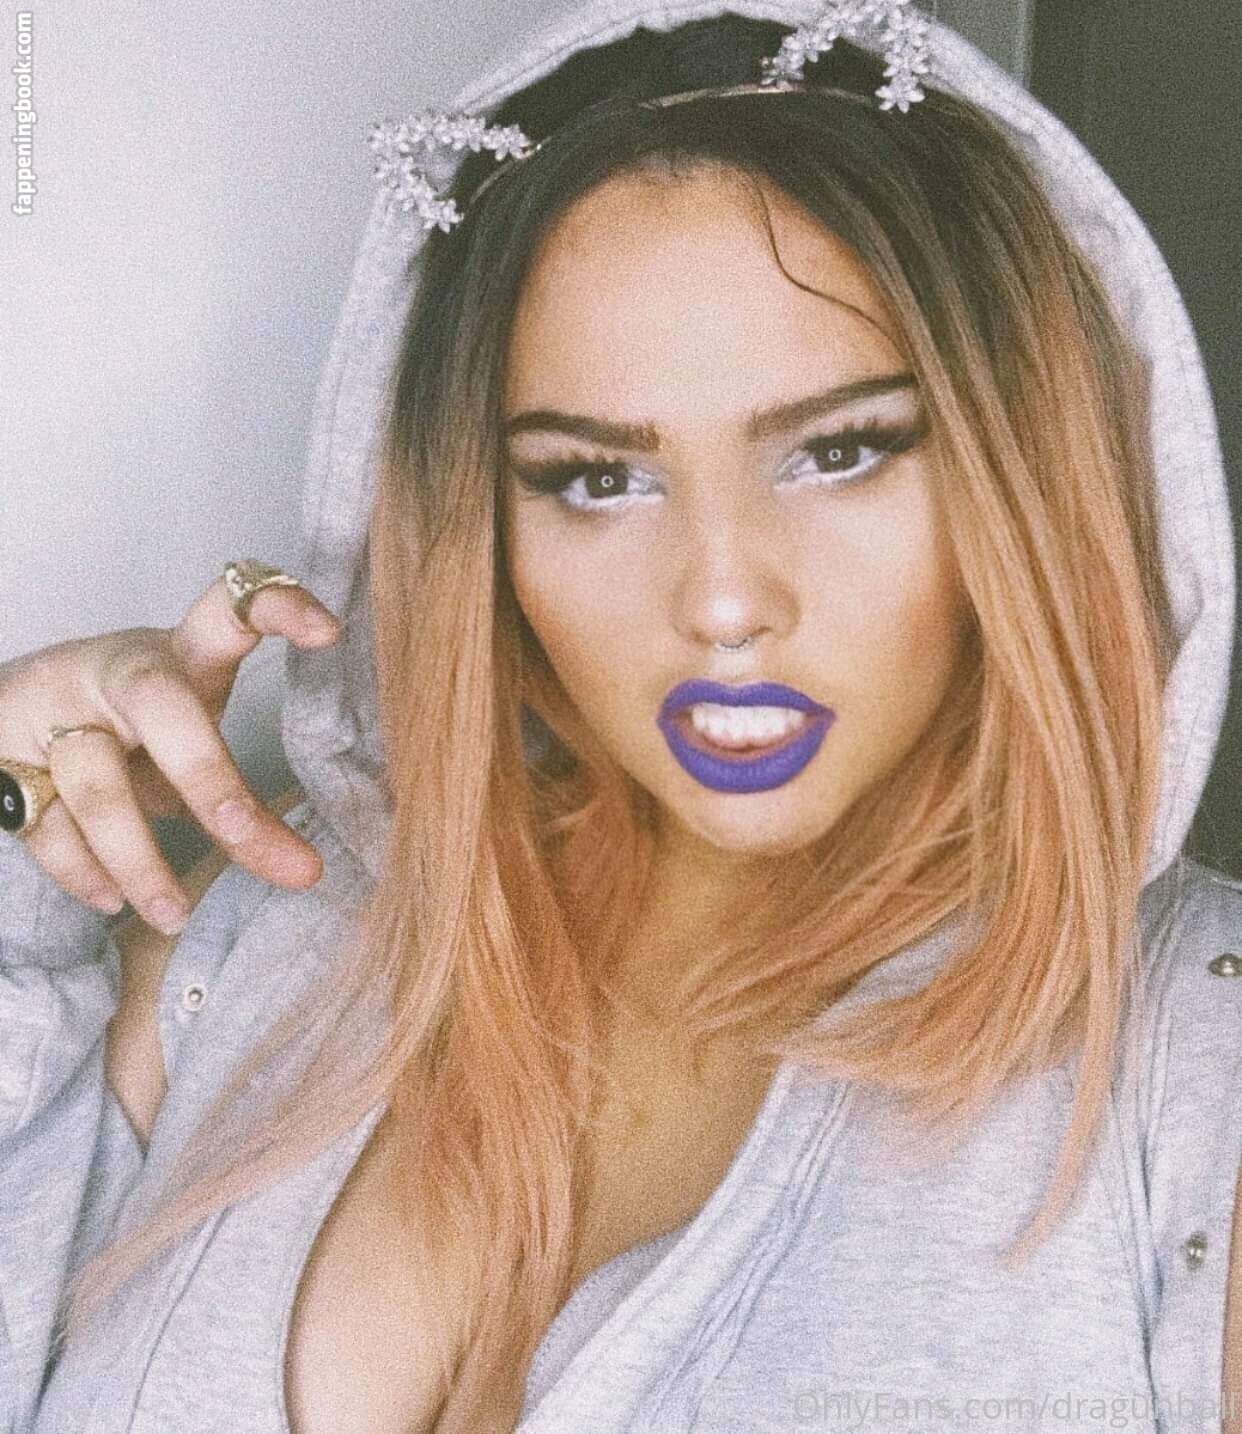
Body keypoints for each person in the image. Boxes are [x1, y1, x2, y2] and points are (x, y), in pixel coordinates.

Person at [1, 1, 1239, 1431]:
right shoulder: (265, 934)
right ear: (481, 524)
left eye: (840, 451)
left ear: (1020, 468)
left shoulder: (1191, 1073)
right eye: (596, 479)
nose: (722, 599)